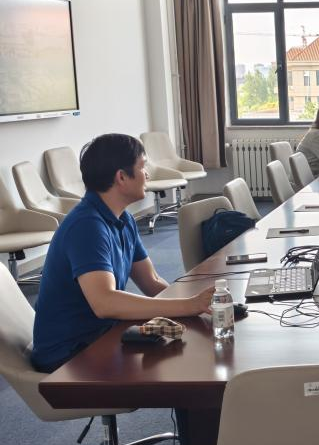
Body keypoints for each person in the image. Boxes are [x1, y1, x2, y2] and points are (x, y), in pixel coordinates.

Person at [31, 134, 215, 374]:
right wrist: (186, 306)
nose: (147, 174)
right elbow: (105, 303)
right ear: (121, 177)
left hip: (102, 333)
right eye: (142, 167)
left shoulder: (123, 218)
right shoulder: (87, 226)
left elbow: (151, 281)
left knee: (187, 348)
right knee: (176, 366)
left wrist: (198, 306)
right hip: (69, 354)